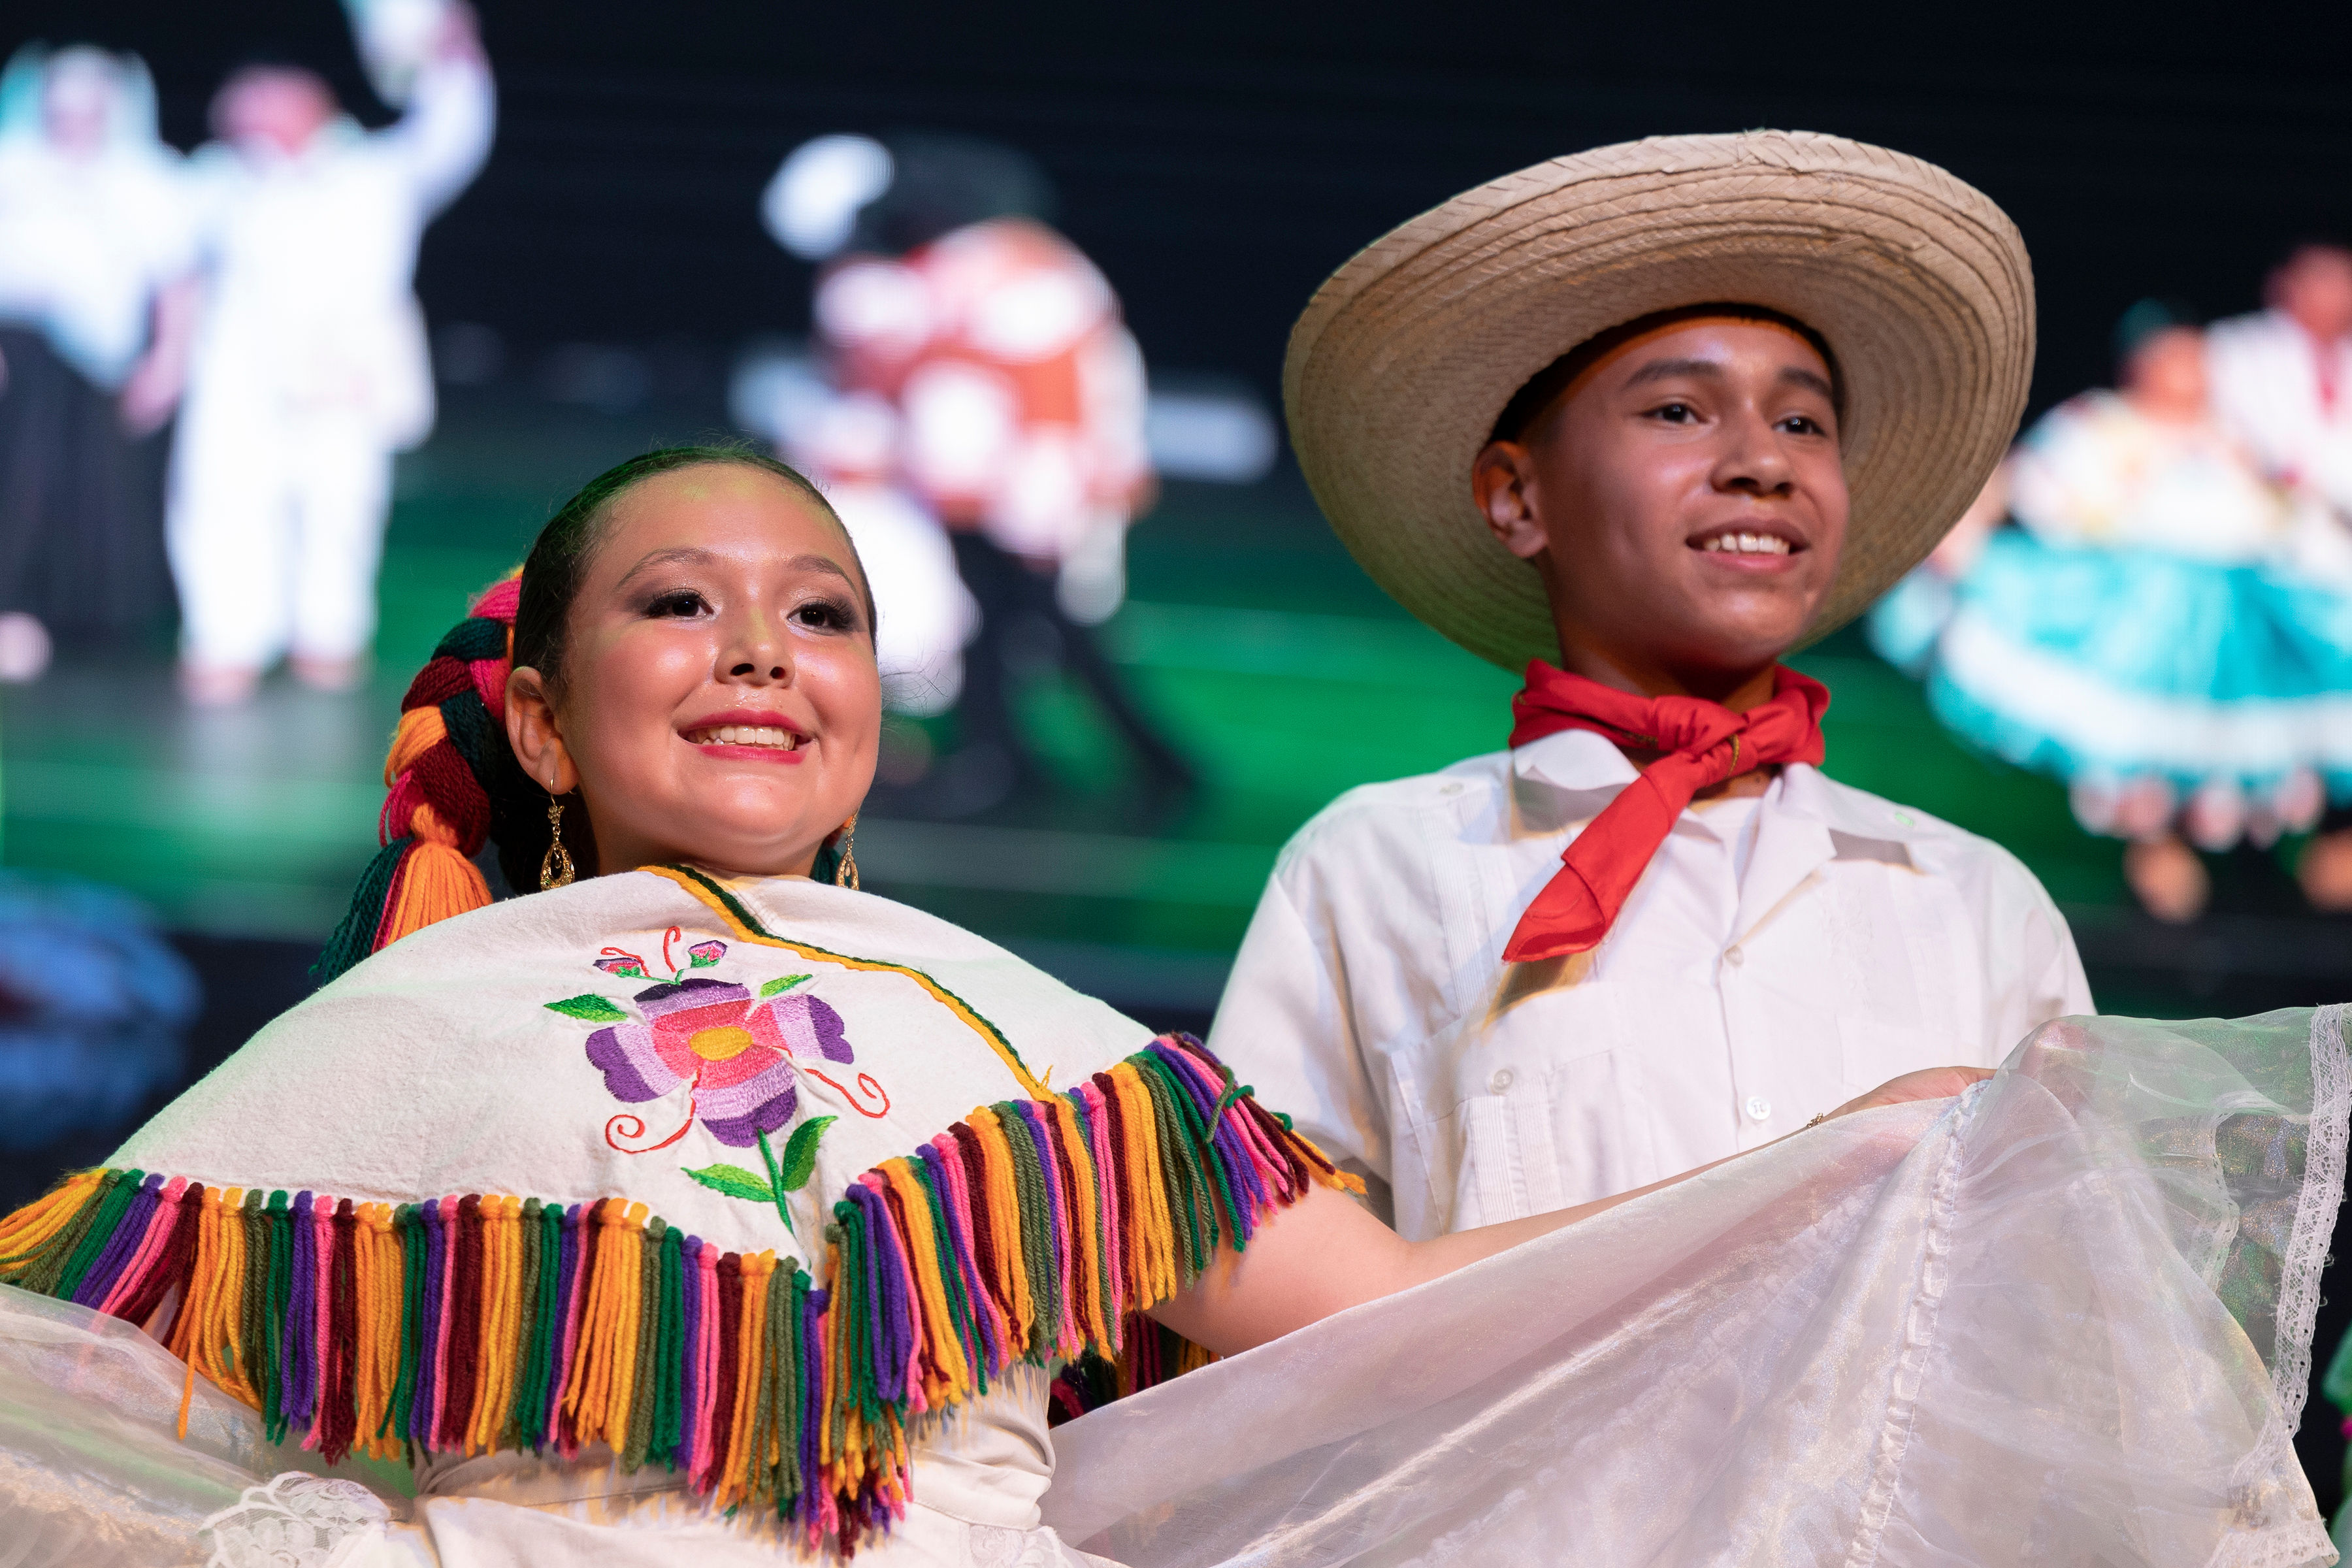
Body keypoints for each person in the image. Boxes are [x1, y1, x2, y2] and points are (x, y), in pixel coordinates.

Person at [0, 443, 2333, 1563]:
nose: (755, 656)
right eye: (679, 608)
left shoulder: (1022, 1040)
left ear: (874, 703)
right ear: (536, 713)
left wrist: (1849, 1149)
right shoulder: (391, 1036)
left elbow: (1392, 1305)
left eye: (819, 614)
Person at [1208, 131, 2090, 1234]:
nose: (1763, 461)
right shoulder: (1378, 871)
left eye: (1804, 422)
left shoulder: (1976, 902)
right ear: (1516, 498)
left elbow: (2064, 1317)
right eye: (1679, 410)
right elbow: (1273, 1323)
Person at [767, 132, 1194, 814]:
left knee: (1053, 621)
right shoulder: (979, 267)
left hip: (1025, 485)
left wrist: (1046, 482)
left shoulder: (1010, 271)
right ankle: (1004, 754)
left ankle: (1154, 761)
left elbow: (1050, 385)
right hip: (985, 484)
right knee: (1000, 619)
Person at [1883, 307, 2352, 924]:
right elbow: (2041, 488)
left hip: (2238, 622)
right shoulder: (2103, 425)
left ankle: (2275, 872)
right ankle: (2161, 860)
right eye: (2175, 358)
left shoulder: (2231, 436)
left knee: (2247, 741)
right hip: (2147, 619)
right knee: (2145, 747)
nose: (2190, 373)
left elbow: (2284, 515)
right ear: (2144, 362)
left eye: (2197, 358)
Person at [167, 0, 493, 705]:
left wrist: (451, 57)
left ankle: (328, 635)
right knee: (224, 496)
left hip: (345, 366)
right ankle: (227, 638)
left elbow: (453, 135)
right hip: (241, 370)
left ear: (310, 101)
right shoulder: (220, 180)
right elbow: (150, 231)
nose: (246, 110)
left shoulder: (375, 172)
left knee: (341, 503)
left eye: (265, 96)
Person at [0, 43, 199, 678]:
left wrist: (167, 361)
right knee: (18, 483)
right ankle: (13, 610)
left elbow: (177, 278)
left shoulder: (146, 175)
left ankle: (84, 620)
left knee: (94, 495)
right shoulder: (13, 165)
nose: (76, 124)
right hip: (19, 356)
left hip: (102, 364)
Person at [2206, 244, 2352, 911]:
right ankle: (2246, 874)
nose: (2333, 294)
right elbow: (2241, 445)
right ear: (2284, 283)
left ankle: (2327, 857)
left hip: (2337, 575)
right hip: (2264, 563)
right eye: (2319, 279)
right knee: (2260, 719)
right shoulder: (2237, 350)